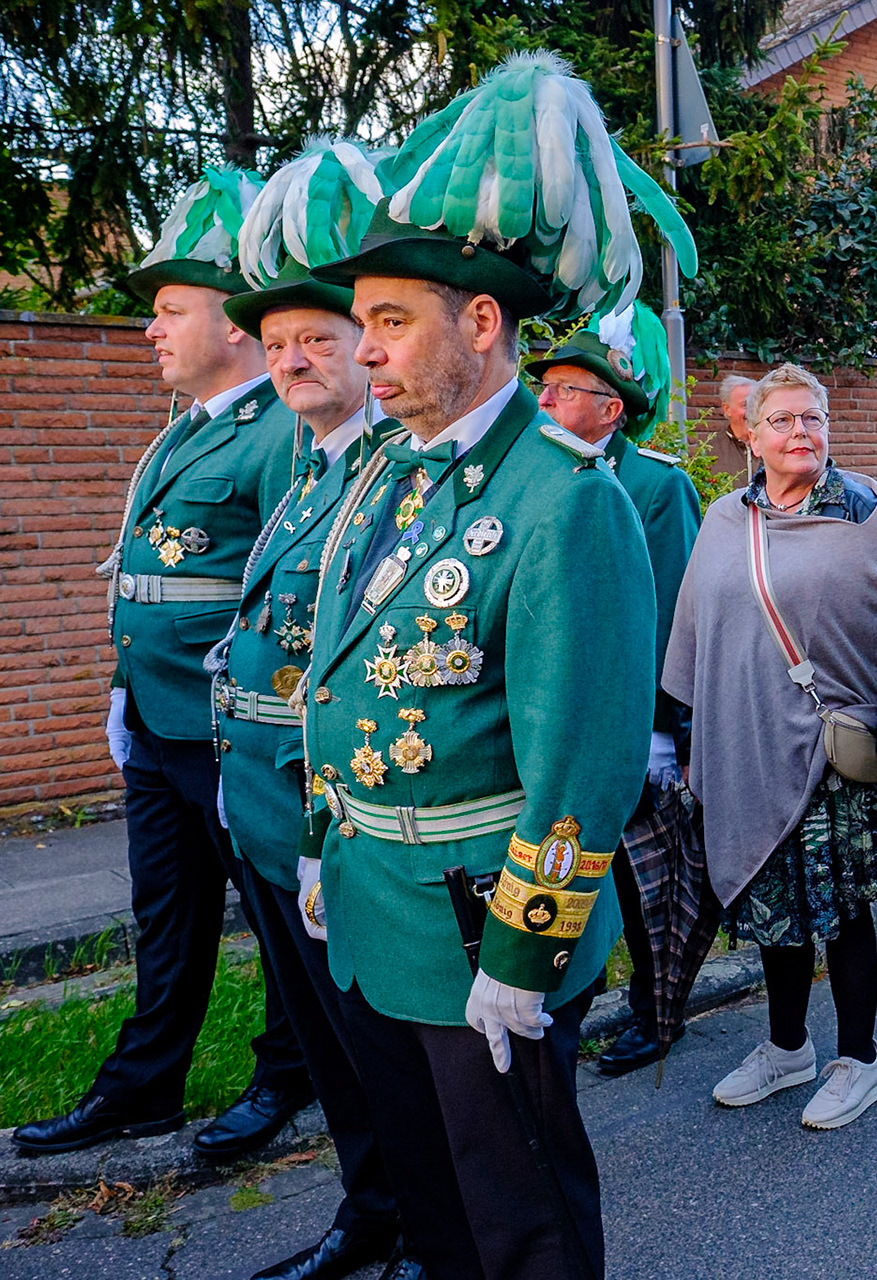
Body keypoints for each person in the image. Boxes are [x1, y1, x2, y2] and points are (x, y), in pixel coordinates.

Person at [300, 52, 674, 1277]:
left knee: (523, 1224)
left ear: (481, 322)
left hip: (481, 935)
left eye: (391, 322)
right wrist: (321, 837)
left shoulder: (564, 498)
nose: (368, 355)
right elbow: (339, 679)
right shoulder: (380, 474)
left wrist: (527, 949)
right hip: (373, 915)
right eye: (363, 328)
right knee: (440, 1209)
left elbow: (586, 759)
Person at [15, 170, 314, 1160]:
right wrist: (117, 687)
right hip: (155, 714)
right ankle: (144, 1085)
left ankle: (290, 1073)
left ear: (234, 322)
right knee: (168, 917)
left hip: (231, 727)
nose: (151, 329)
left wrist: (258, 728)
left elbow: (288, 590)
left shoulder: (278, 429)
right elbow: (144, 576)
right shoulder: (185, 430)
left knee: (279, 922)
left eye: (169, 310)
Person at [207, 142, 420, 1280]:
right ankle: (370, 1209)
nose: (290, 361)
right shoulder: (308, 469)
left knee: (378, 1049)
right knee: (334, 1053)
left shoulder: (390, 472)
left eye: (316, 342)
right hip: (265, 808)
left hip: (335, 811)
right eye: (276, 345)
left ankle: (421, 1226)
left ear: (369, 350)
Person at [665, 362, 877, 1130]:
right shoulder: (723, 518)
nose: (800, 433)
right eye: (783, 421)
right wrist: (678, 733)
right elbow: (700, 629)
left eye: (813, 419)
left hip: (834, 750)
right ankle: (787, 1046)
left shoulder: (863, 509)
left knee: (841, 912)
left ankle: (860, 1058)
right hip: (748, 743)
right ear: (750, 432)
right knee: (770, 902)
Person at [524, 307, 703, 1079]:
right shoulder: (531, 476)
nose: (545, 401)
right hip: (556, 717)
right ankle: (577, 984)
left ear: (611, 408)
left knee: (641, 880)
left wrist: (664, 731)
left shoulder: (654, 486)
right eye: (545, 387)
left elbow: (670, 613)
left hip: (633, 719)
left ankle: (656, 1011)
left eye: (563, 389)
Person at [712, 372, 756, 483]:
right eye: (745, 405)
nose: (752, 411)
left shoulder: (773, 446)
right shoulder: (711, 452)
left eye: (755, 404)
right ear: (727, 409)